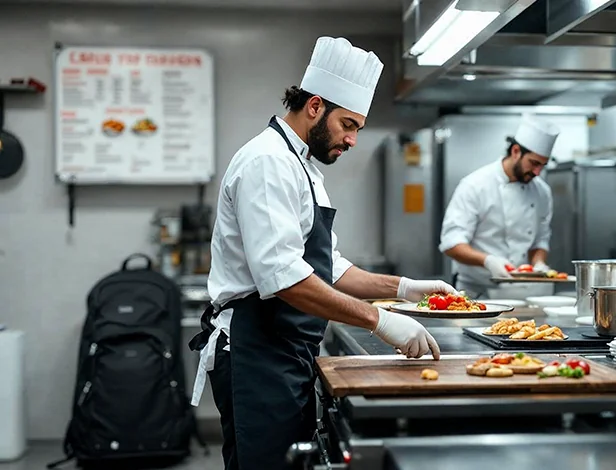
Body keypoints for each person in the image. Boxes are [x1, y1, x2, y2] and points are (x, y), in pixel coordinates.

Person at [187, 36, 455, 470]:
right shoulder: (268, 162)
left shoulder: (303, 166)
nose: (352, 140)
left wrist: (406, 289)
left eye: (357, 129)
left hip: (284, 348)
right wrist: (380, 320)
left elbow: (329, 265)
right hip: (256, 351)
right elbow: (284, 278)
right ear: (315, 106)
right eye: (348, 124)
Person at [438, 115, 561, 298]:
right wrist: (488, 261)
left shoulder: (542, 192)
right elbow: (451, 243)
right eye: (534, 163)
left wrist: (538, 263)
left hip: (519, 292)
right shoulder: (475, 185)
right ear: (516, 151)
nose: (537, 172)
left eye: (542, 165)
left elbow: (540, 239)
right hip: (476, 291)